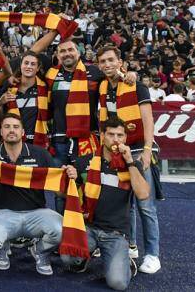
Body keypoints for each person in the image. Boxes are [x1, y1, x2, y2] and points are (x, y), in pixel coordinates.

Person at [0, 112, 75, 275]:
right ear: (1, 132)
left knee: (63, 229)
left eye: (16, 127)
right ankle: (2, 246)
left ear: (23, 132)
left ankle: (40, 250)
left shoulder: (40, 154)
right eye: (7, 127)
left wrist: (68, 177)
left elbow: (60, 193)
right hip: (4, 214)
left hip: (37, 213)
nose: (11, 130)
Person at [64, 117, 151, 291]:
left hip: (115, 233)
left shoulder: (132, 165)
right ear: (102, 136)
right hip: (88, 227)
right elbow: (63, 193)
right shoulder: (84, 162)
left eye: (120, 135)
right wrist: (68, 176)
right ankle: (84, 259)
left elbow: (143, 195)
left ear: (125, 138)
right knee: (67, 258)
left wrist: (130, 162)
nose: (116, 139)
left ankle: (127, 262)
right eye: (111, 134)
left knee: (117, 284)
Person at [95, 45, 160, 274]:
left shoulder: (136, 85)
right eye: (102, 61)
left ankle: (153, 254)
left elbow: (148, 120)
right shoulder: (102, 86)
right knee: (126, 203)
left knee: (145, 205)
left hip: (137, 150)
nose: (107, 64)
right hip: (115, 151)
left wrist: (147, 149)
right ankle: (131, 246)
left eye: (111, 60)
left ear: (120, 61)